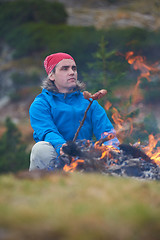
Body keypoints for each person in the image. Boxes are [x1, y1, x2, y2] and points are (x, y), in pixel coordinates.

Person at [29, 52, 119, 171]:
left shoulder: (89, 103)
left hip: (86, 157)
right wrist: (63, 147)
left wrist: (113, 150)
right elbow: (47, 131)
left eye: (74, 68)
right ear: (52, 75)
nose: (72, 72)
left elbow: (107, 132)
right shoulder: (41, 104)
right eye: (65, 69)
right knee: (40, 148)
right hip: (56, 156)